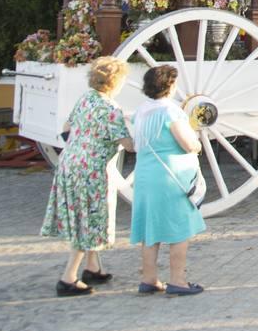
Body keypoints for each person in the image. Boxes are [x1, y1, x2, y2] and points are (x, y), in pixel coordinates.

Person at [40, 56, 134, 296]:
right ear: (115, 82)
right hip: (91, 170)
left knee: (88, 216)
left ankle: (93, 267)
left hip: (69, 163)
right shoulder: (112, 109)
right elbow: (129, 145)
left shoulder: (85, 99)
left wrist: (82, 144)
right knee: (88, 220)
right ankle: (68, 277)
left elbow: (66, 128)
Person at [130, 65, 206, 296]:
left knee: (150, 229)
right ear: (169, 85)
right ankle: (178, 280)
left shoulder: (141, 110)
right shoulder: (170, 112)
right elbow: (187, 143)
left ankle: (149, 278)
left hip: (144, 175)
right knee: (178, 230)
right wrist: (197, 143)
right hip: (171, 179)